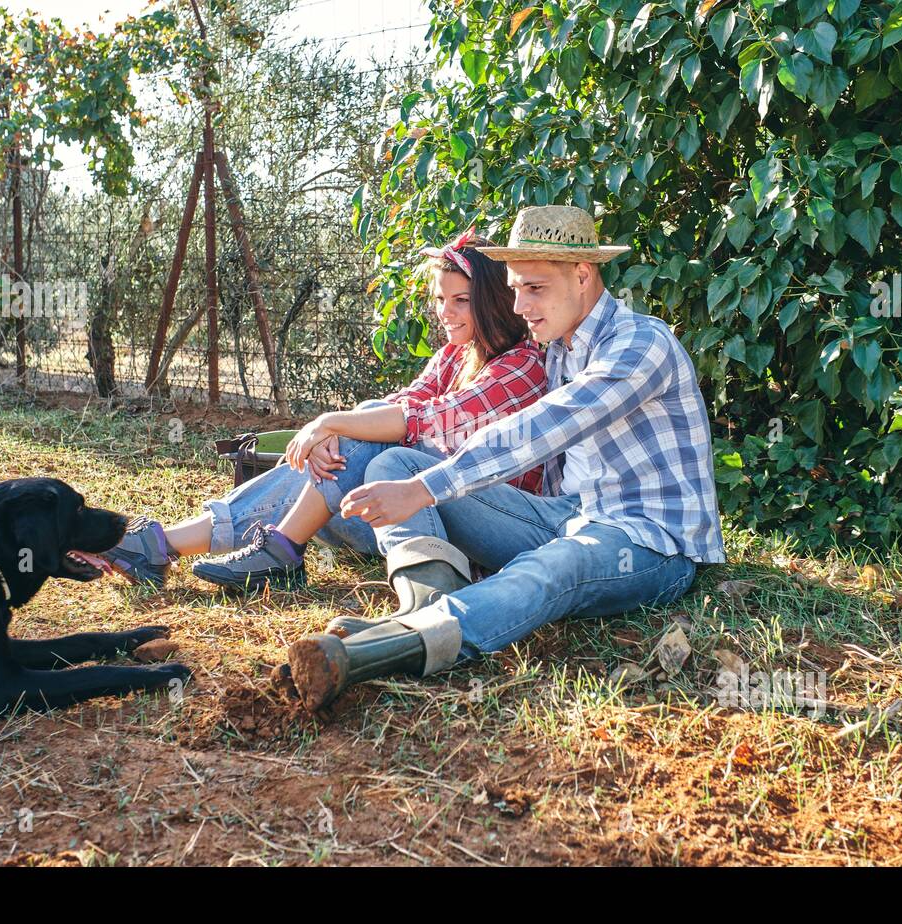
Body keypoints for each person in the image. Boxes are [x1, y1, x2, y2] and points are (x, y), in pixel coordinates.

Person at [284, 205, 725, 711]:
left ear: (583, 275)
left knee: (552, 566)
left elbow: (540, 428)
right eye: (514, 288)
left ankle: (383, 650)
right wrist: (400, 467)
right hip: (568, 516)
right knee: (399, 464)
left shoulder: (642, 344)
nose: (518, 306)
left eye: (533, 288)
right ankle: (421, 606)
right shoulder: (559, 346)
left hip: (648, 540)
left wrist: (425, 492)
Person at [102, 231, 547, 592]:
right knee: (360, 431)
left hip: (471, 531)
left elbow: (426, 420)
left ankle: (182, 546)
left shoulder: (521, 366)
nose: (444, 312)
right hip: (407, 510)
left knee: (365, 437)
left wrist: (329, 423)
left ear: (490, 300)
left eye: (460, 301)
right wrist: (330, 438)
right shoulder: (459, 353)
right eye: (439, 299)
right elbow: (404, 401)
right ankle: (197, 547)